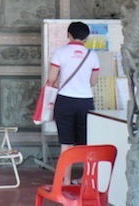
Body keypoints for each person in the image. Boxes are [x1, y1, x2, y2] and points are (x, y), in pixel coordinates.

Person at [47, 21, 100, 185]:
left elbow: (51, 79)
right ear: (86, 37)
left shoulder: (60, 53)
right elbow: (93, 82)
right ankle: (85, 180)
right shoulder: (92, 55)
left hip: (65, 101)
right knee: (85, 143)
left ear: (68, 35)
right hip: (85, 102)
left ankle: (66, 181)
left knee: (66, 144)